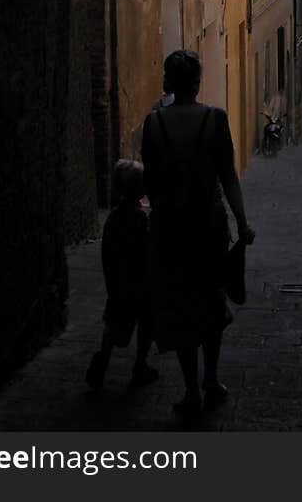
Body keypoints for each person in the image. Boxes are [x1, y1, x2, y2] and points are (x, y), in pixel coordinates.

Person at [140, 50, 255, 426]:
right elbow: (228, 177)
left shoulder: (153, 124)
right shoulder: (215, 120)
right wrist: (242, 222)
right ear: (198, 82)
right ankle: (212, 379)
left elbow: (151, 184)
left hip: (170, 228)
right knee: (210, 301)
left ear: (169, 81)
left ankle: (190, 388)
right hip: (209, 225)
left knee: (180, 304)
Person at [85, 159, 159, 390]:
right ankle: (140, 366)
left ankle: (102, 361)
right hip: (141, 285)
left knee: (113, 324)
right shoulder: (141, 220)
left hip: (119, 284)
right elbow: (149, 250)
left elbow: (107, 252)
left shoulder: (113, 219)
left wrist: (111, 282)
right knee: (146, 323)